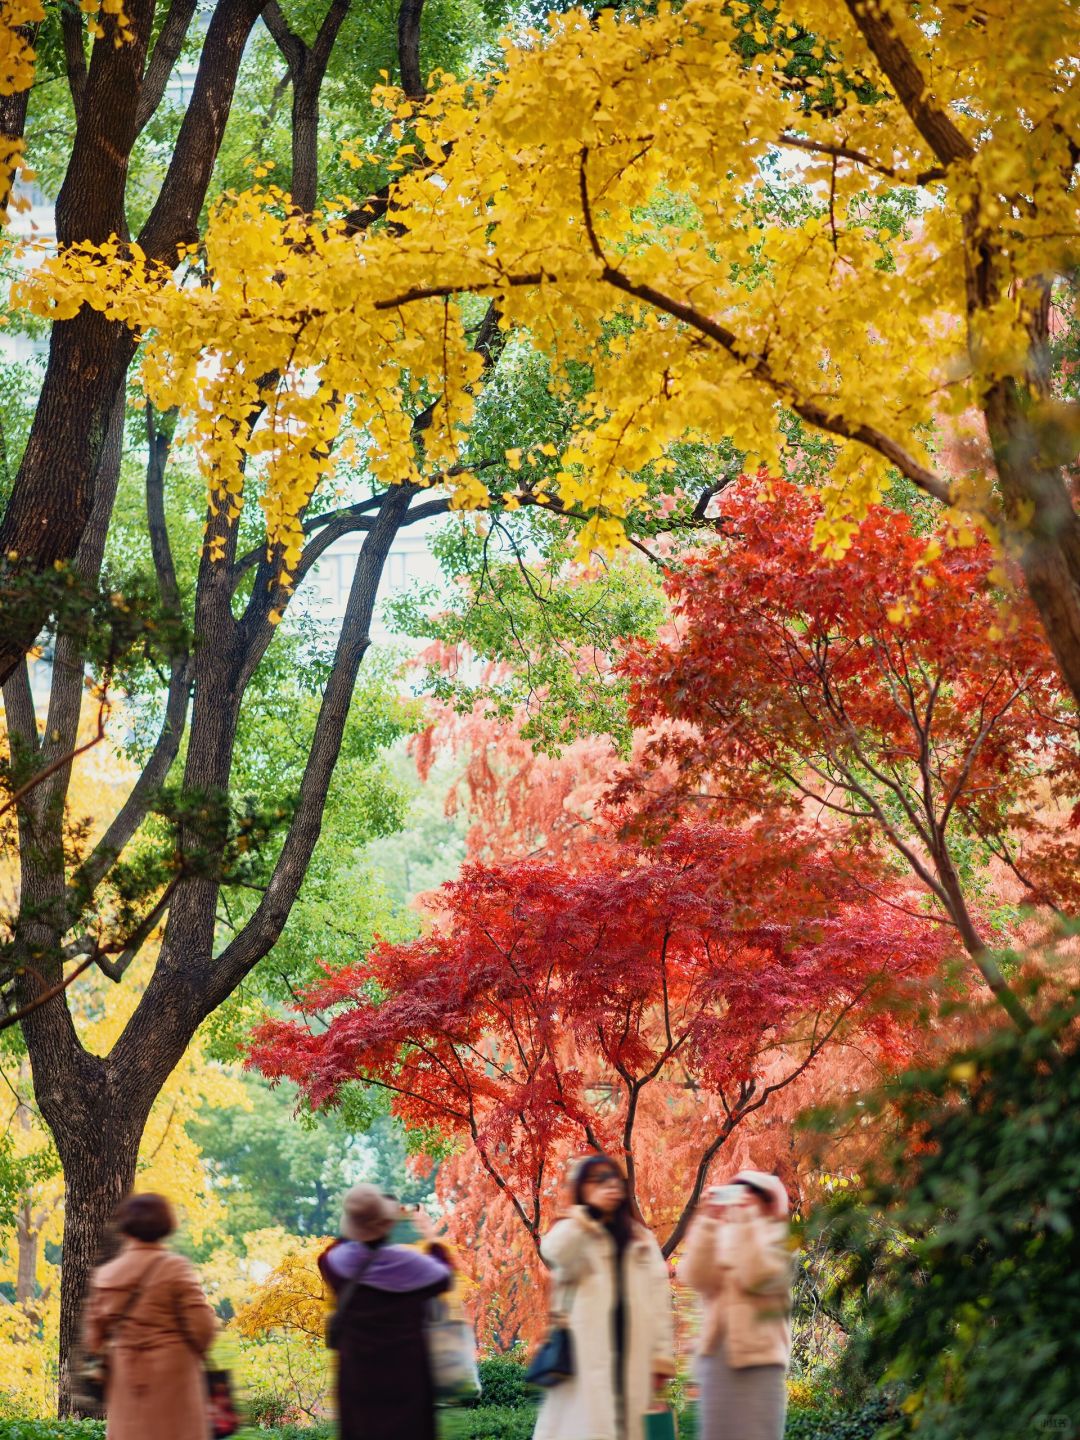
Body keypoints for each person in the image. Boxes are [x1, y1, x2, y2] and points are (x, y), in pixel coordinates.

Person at [533, 1153, 676, 1440]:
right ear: (582, 1188)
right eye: (597, 1180)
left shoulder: (640, 1238)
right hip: (584, 1356)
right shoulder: (575, 1230)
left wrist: (661, 1359)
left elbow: (659, 1301)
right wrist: (588, 1214)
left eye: (612, 1179)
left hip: (633, 1353)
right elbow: (552, 1251)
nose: (608, 1185)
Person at [319, 1183, 454, 1440]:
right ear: (386, 1223)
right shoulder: (412, 1266)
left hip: (357, 1384)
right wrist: (429, 1234)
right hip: (408, 1383)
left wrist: (363, 1224)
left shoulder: (334, 1265)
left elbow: (332, 1250)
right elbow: (444, 1275)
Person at [82, 1192, 217, 1440]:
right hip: (176, 1382)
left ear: (126, 1227)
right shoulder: (176, 1268)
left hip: (126, 1381)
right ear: (165, 1226)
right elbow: (204, 1330)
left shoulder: (105, 1275)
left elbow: (93, 1340)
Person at [680, 1169, 794, 1440]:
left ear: (769, 1202)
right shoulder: (720, 1235)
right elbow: (695, 1276)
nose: (743, 1199)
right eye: (739, 1191)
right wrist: (708, 1221)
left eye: (752, 1194)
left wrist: (747, 1222)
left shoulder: (781, 1241)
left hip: (760, 1358)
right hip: (716, 1356)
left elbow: (757, 1276)